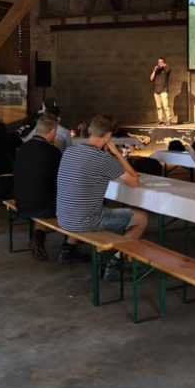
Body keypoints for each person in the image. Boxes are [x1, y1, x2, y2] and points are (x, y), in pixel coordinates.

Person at [57, 114, 148, 280]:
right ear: (108, 136)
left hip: (63, 216)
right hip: (86, 221)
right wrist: (116, 152)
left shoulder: (70, 151)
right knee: (142, 218)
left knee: (84, 205)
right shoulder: (103, 158)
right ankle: (113, 264)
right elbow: (134, 180)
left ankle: (68, 248)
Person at [13, 115, 86, 263]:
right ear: (53, 132)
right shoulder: (52, 152)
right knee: (82, 208)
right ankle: (69, 248)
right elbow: (64, 179)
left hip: (21, 201)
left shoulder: (23, 148)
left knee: (43, 195)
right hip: (41, 205)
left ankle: (38, 235)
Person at [150, 56, 172, 125]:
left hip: (164, 90)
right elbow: (151, 78)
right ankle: (161, 120)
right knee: (158, 107)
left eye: (161, 62)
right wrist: (154, 70)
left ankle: (169, 120)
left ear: (164, 62)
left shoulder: (166, 68)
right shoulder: (157, 70)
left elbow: (168, 70)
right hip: (156, 91)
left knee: (165, 106)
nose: (160, 63)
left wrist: (165, 65)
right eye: (159, 62)